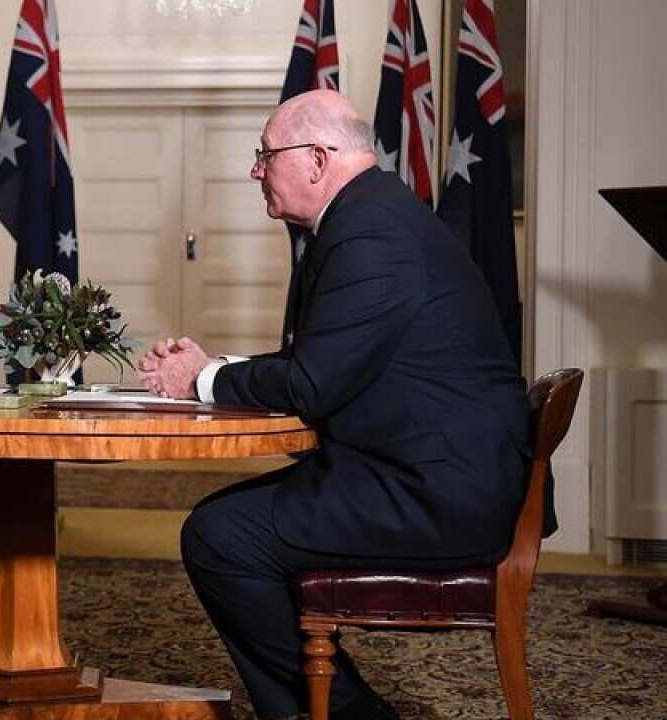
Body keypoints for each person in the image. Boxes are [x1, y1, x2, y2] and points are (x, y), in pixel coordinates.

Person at [138, 90, 533, 720]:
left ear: (318, 159)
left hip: (435, 493)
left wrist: (201, 379)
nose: (254, 170)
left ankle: (345, 714)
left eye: (265, 154)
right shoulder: (370, 215)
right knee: (224, 525)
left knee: (220, 537)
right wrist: (215, 368)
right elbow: (325, 361)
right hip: (427, 469)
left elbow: (311, 385)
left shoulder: (370, 230)